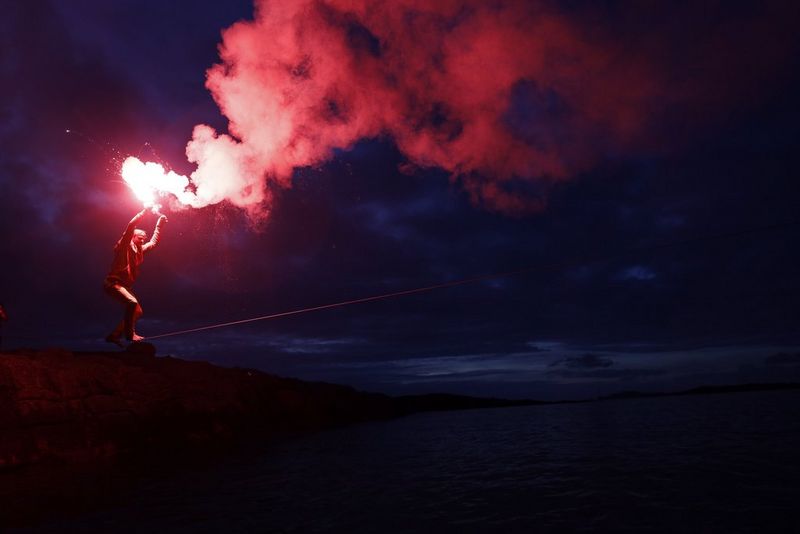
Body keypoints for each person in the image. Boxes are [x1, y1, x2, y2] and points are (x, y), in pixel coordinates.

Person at [104, 208, 168, 345]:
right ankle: (130, 334)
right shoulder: (124, 245)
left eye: (144, 238)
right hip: (113, 283)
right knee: (131, 303)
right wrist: (144, 212)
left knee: (137, 311)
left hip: (125, 286)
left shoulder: (140, 251)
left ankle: (114, 336)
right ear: (132, 237)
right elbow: (131, 226)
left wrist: (159, 225)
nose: (143, 240)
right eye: (140, 237)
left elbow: (153, 242)